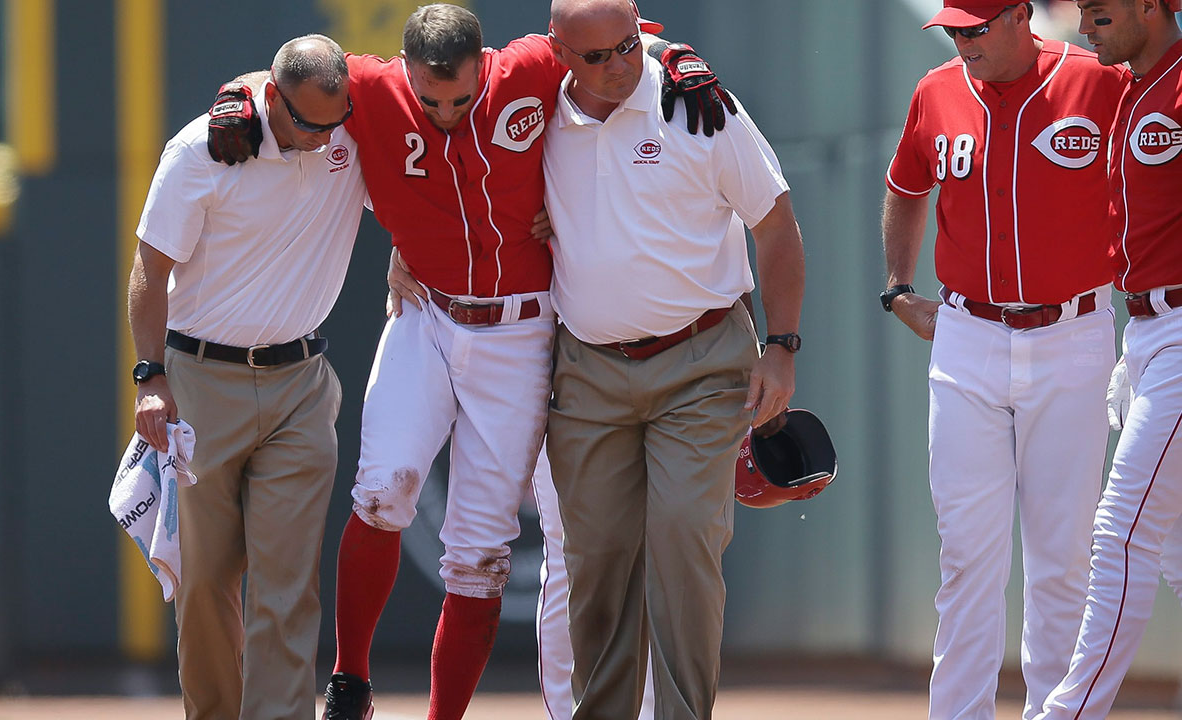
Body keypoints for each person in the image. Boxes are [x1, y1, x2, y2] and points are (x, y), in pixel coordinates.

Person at [205, 5, 732, 720]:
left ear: (486, 64)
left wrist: (679, 60)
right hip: (425, 312)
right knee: (383, 487)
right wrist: (236, 95)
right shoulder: (371, 85)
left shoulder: (528, 67)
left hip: (521, 330)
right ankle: (350, 682)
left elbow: (621, 42)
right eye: (430, 99)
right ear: (404, 67)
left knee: (480, 555)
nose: (446, 113)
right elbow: (291, 73)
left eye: (461, 97)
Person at [532, 0, 805, 716]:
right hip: (588, 370)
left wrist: (781, 348)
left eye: (629, 46)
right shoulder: (532, 113)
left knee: (685, 541)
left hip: (702, 360)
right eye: (598, 57)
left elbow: (775, 223)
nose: (621, 66)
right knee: (594, 566)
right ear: (559, 54)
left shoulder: (697, 102)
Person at [880, 1, 1128, 717]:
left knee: (1062, 560)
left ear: (1022, 16)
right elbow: (905, 188)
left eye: (975, 28)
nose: (961, 42)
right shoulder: (937, 90)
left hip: (1072, 335)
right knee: (965, 557)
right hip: (968, 336)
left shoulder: (1097, 79)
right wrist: (898, 287)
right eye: (952, 30)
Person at [128, 35, 364, 720]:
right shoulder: (203, 147)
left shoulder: (350, 133)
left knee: (288, 585)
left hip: (301, 384)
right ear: (270, 97)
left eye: (335, 120)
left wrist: (405, 254)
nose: (323, 139)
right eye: (307, 123)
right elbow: (149, 270)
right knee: (204, 585)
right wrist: (150, 377)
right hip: (202, 380)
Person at [1035, 1, 1182, 717]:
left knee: (1120, 527)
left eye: (1099, 12)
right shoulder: (1122, 87)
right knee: (1176, 551)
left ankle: (1068, 712)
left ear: (1150, 8)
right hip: (1146, 331)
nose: (1085, 25)